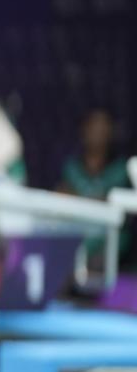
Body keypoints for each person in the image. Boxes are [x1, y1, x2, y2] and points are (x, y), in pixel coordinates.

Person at [59, 108, 131, 263]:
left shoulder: (121, 169)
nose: (99, 132)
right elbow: (61, 196)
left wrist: (79, 200)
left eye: (104, 127)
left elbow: (117, 205)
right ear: (84, 130)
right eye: (94, 126)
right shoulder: (71, 167)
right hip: (76, 234)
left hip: (108, 239)